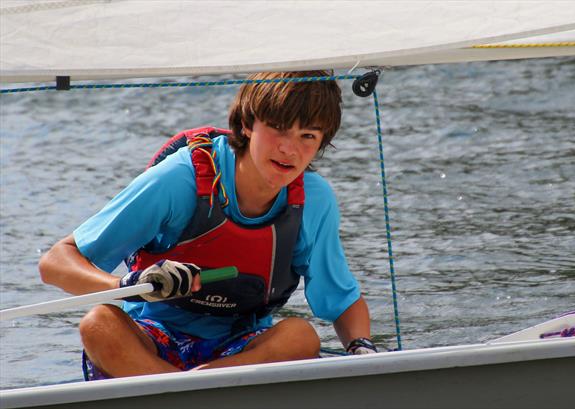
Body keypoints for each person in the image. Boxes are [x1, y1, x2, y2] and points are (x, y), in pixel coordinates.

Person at [39, 71, 377, 381]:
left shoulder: (314, 201)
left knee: (300, 336)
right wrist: (128, 282)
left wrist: (362, 350)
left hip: (239, 349)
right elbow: (55, 262)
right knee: (98, 324)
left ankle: (189, 389)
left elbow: (341, 300)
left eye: (308, 136)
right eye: (278, 129)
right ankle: (188, 391)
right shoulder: (180, 180)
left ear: (321, 143)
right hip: (151, 340)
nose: (289, 150)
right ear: (247, 124)